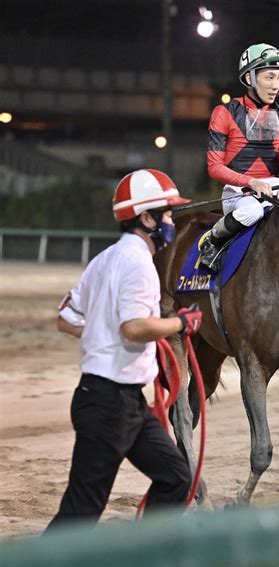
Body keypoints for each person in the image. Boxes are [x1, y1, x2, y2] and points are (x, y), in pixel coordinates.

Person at [46, 169, 203, 529]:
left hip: (126, 402)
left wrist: (98, 334)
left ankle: (141, 559)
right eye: (165, 214)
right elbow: (133, 328)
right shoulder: (138, 264)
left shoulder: (103, 260)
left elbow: (64, 319)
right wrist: (182, 322)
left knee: (176, 478)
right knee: (81, 509)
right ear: (145, 218)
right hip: (107, 404)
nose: (170, 221)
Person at [199, 42, 279, 270]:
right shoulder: (223, 113)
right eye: (269, 77)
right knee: (252, 210)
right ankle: (213, 240)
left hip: (274, 192)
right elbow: (214, 167)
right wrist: (250, 182)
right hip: (236, 194)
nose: (276, 86)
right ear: (250, 78)